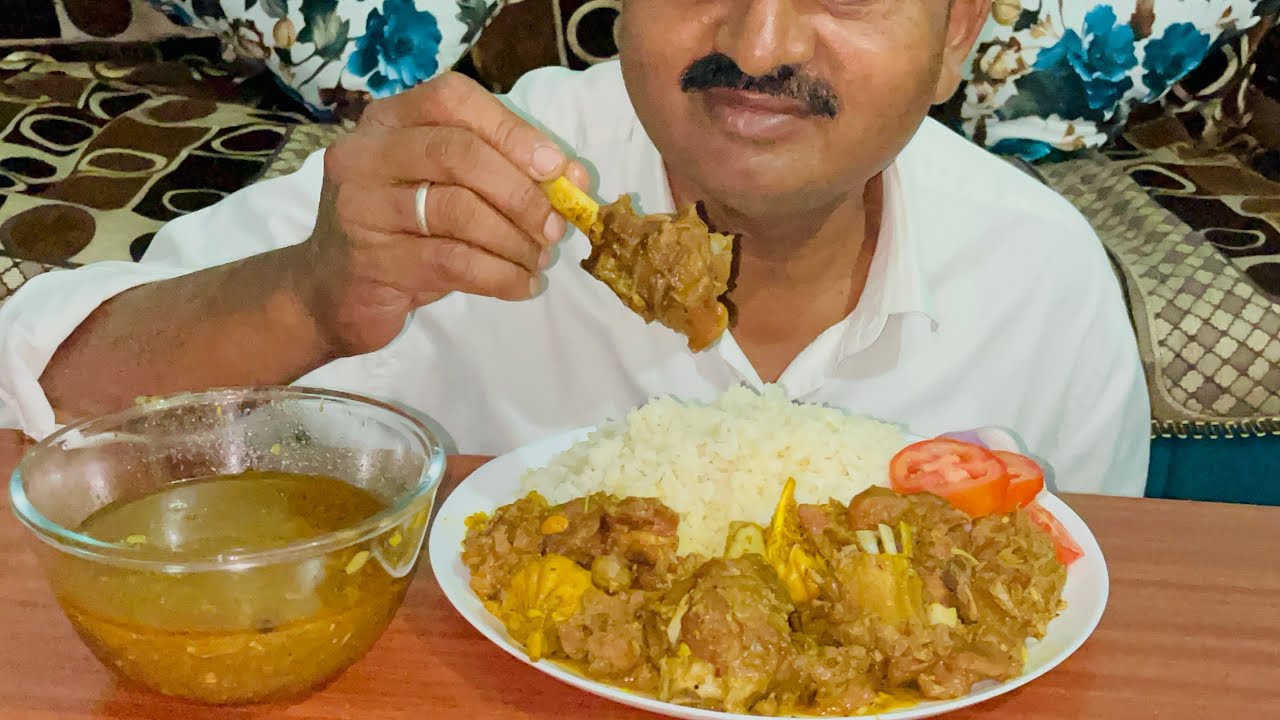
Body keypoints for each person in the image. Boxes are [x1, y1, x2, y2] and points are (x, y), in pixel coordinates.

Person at [0, 0, 1150, 495]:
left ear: (955, 36)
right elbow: (35, 402)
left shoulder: (1040, 285)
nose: (756, 41)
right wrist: (309, 297)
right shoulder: (470, 178)